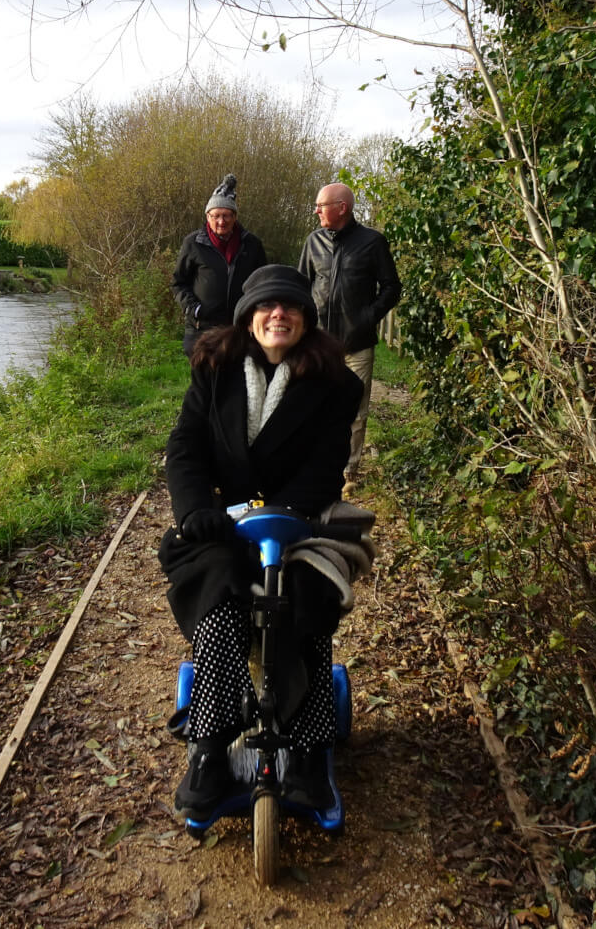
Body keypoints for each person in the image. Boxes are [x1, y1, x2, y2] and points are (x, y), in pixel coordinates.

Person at [159, 264, 362, 820]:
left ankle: (306, 748)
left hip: (301, 519)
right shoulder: (214, 369)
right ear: (248, 317)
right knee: (221, 589)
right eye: (267, 306)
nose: (279, 315)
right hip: (222, 523)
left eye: (291, 308)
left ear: (305, 320)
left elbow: (327, 467)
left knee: (305, 594)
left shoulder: (336, 384)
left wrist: (279, 514)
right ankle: (210, 746)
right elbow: (186, 449)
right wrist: (197, 509)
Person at [297, 182, 401, 484]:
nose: (316, 211)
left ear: (341, 207)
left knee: (354, 411)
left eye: (321, 205)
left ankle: (348, 470)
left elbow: (392, 287)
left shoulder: (372, 242)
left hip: (356, 344)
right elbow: (301, 286)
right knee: (314, 405)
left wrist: (368, 317)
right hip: (318, 344)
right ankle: (315, 465)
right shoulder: (313, 242)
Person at [170, 174, 268, 354]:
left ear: (235, 216)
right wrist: (195, 309)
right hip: (202, 328)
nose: (221, 222)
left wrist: (255, 313)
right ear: (208, 217)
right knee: (204, 379)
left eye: (226, 216)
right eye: (216, 216)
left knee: (237, 378)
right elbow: (179, 282)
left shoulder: (252, 244)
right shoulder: (193, 243)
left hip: (240, 327)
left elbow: (262, 282)